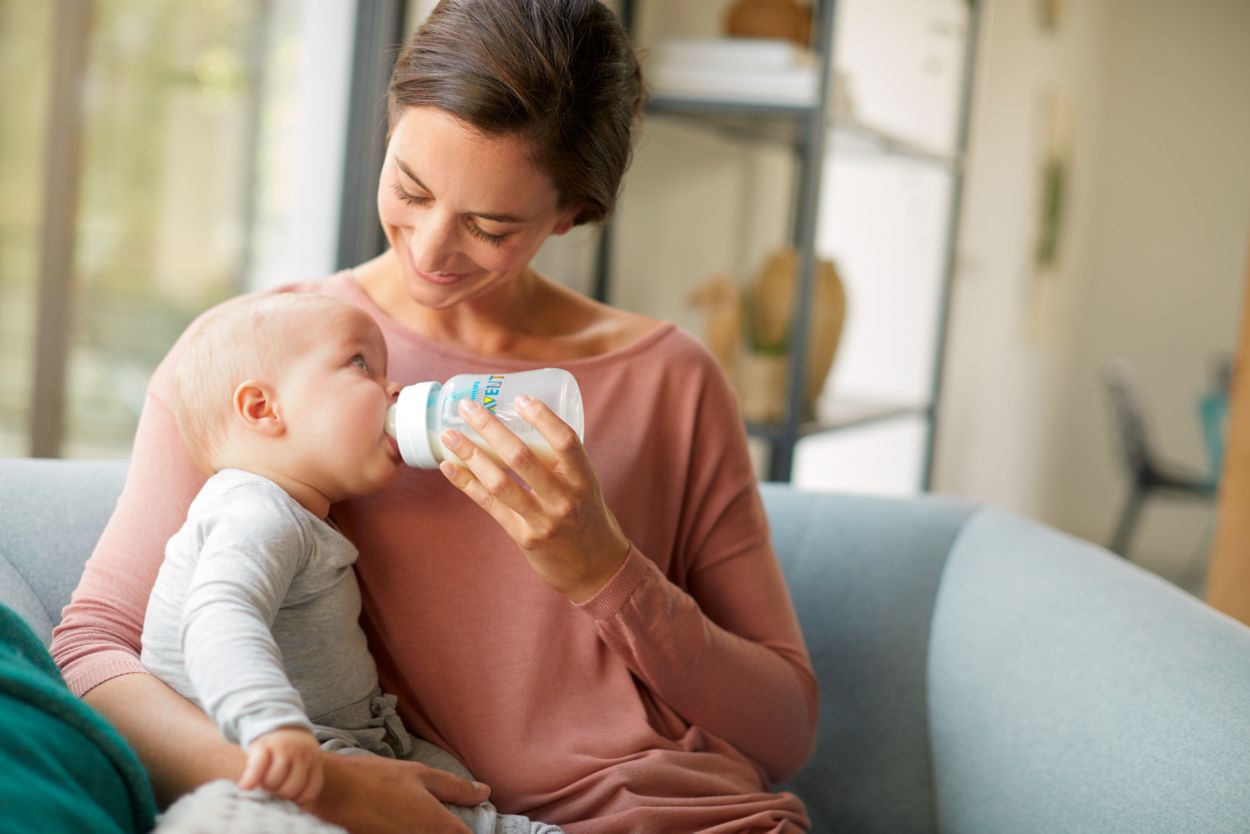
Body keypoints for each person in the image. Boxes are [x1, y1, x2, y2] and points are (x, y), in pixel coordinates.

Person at [51, 0, 819, 831]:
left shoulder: (672, 379)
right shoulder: (259, 366)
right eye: (409, 188)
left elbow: (784, 727)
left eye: (490, 226)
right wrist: (308, 782)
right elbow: (95, 651)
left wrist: (606, 572)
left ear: (571, 215)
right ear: (388, 128)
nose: (428, 249)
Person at [138, 292, 559, 833]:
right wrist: (271, 724)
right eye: (360, 364)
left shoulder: (295, 511)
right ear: (263, 409)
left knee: (461, 799)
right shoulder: (256, 511)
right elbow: (217, 615)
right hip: (281, 747)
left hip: (353, 738)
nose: (396, 389)